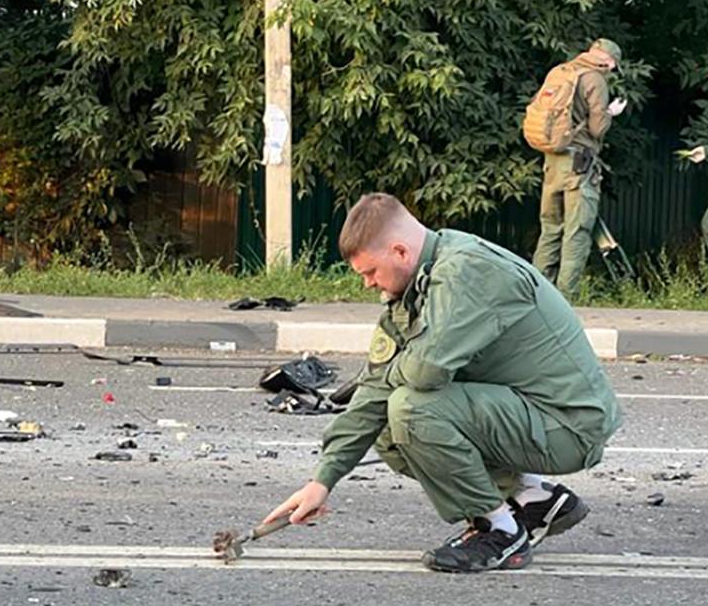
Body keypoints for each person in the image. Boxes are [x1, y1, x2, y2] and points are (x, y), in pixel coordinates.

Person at [266, 193, 621, 573]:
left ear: (400, 251)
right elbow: (374, 388)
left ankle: (499, 531)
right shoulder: (416, 285)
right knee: (387, 423)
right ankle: (532, 497)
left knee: (411, 408)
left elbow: (424, 372)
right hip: (527, 412)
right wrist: (322, 480)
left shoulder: (466, 273)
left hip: (568, 425)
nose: (368, 284)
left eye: (370, 272)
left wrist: (391, 375)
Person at [531, 38, 627, 299]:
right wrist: (609, 113)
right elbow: (597, 129)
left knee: (550, 228)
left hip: (552, 160)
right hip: (579, 165)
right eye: (612, 66)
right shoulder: (595, 80)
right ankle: (565, 300)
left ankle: (538, 297)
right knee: (578, 231)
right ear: (608, 61)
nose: (611, 70)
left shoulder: (560, 72)